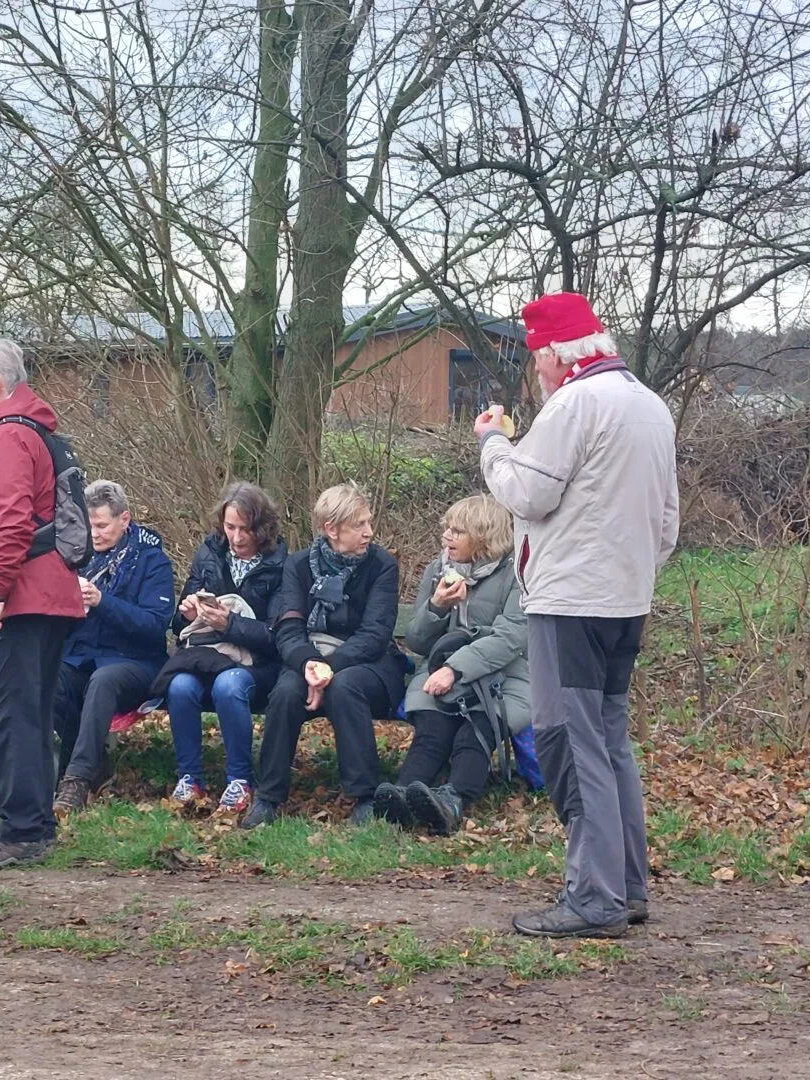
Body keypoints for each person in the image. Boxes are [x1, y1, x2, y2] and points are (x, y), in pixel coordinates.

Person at [474, 291, 678, 939]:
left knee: (568, 740)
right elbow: (667, 522)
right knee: (610, 740)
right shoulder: (650, 405)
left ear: (559, 354)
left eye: (538, 358)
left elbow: (525, 493)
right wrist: (632, 576)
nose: (536, 370)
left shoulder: (574, 404)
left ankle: (594, 898)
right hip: (627, 601)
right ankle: (626, 886)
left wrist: (493, 444)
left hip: (569, 604)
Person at [0, 339, 85, 871]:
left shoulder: (8, 437)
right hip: (51, 591)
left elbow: (10, 526)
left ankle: (21, 831)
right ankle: (37, 824)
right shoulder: (36, 431)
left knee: (13, 716)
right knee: (31, 712)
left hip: (25, 593)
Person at [242, 483, 407, 830]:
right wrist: (309, 664)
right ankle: (268, 797)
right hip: (309, 656)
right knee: (285, 693)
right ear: (331, 529)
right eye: (359, 525)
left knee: (344, 687)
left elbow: (375, 635)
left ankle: (364, 797)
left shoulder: (381, 565)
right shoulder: (299, 565)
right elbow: (288, 629)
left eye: (368, 522)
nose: (369, 532)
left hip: (369, 663)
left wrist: (327, 669)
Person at [375, 494, 530, 835]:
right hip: (441, 672)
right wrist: (437, 607)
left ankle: (453, 800)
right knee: (433, 729)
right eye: (447, 528)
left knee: (476, 730)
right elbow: (417, 642)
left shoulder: (517, 574)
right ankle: (403, 796)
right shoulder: (438, 569)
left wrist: (455, 669)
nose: (446, 536)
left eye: (457, 531)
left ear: (484, 536)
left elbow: (510, 638)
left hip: (505, 678)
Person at [156, 482, 287, 816]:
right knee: (180, 686)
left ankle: (240, 780)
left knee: (229, 686)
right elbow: (178, 625)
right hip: (207, 656)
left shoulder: (281, 564)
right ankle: (190, 778)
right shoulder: (209, 553)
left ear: (263, 528)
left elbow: (278, 635)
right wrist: (187, 613)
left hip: (258, 664)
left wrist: (230, 624)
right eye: (230, 527)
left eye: (246, 529)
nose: (237, 537)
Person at [50, 480, 177, 817]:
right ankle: (85, 764)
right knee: (48, 677)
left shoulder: (152, 561)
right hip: (83, 655)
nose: (94, 534)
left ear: (124, 519)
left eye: (102, 525)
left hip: (137, 661)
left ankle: (76, 781)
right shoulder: (77, 557)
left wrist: (102, 602)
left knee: (103, 681)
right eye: (89, 525)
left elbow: (154, 626)